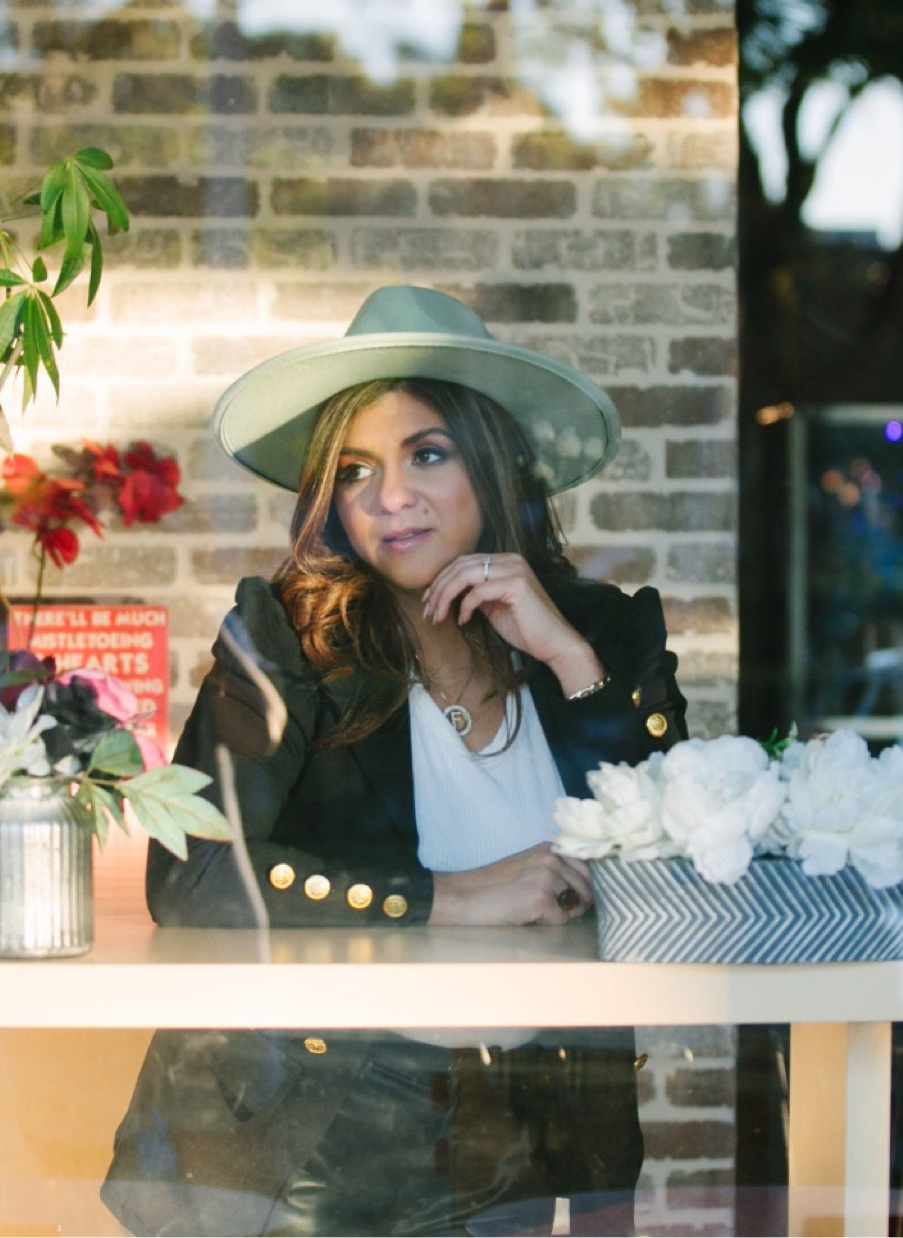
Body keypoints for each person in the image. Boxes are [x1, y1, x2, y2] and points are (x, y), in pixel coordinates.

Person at [101, 286, 689, 1236]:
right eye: (356, 469)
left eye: (427, 454)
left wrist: (568, 660)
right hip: (309, 1148)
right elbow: (193, 869)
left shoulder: (604, 638)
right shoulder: (285, 640)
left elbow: (682, 863)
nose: (390, 498)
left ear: (491, 467)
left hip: (529, 1141)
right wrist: (448, 895)